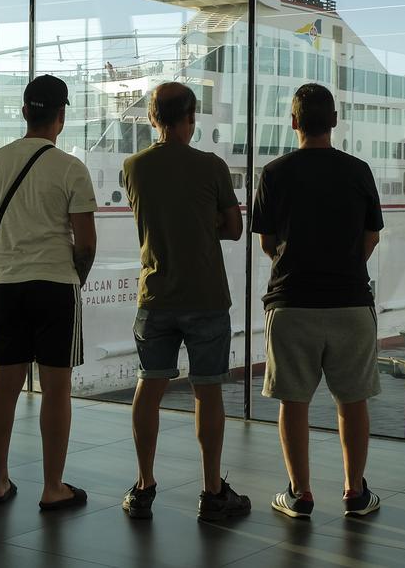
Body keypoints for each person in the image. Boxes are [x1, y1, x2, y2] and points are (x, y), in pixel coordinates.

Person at [252, 83, 384, 519]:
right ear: (334, 121)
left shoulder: (273, 173)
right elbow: (371, 236)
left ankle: (300, 493)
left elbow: (268, 242)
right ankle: (355, 492)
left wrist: (295, 261)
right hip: (350, 301)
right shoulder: (359, 170)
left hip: (292, 303)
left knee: (294, 401)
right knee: (352, 402)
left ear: (293, 122)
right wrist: (345, 262)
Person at [120, 82, 250, 521]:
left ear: (154, 118)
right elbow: (233, 228)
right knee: (207, 391)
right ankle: (212, 491)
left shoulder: (133, 167)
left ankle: (143, 487)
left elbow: (153, 217)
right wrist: (203, 218)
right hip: (206, 296)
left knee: (148, 386)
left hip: (155, 295)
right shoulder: (211, 166)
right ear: (190, 118)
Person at [0, 75, 96, 508]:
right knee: (56, 389)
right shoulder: (71, 168)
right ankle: (52, 487)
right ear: (62, 116)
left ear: (24, 112)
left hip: (6, 286)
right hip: (56, 287)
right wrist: (76, 276)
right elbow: (87, 241)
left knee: (3, 385)